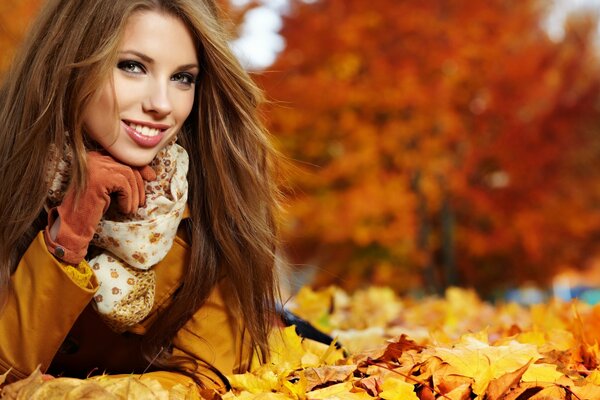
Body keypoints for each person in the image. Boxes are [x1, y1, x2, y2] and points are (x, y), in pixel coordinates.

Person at [0, 0, 282, 394]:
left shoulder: (215, 197)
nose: (162, 105)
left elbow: (205, 381)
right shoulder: (8, 173)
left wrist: (59, 392)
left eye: (183, 78)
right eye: (132, 66)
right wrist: (68, 236)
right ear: (68, 63)